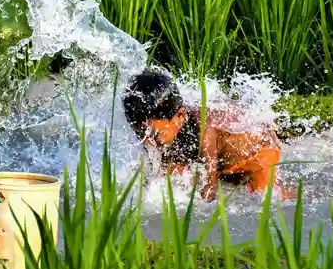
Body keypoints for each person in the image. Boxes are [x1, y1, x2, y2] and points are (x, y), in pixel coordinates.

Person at [121, 68, 294, 201]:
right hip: (223, 161)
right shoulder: (161, 128)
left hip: (258, 153)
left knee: (267, 200)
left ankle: (300, 196)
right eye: (141, 134)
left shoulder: (204, 128)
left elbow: (209, 189)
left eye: (153, 135)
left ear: (179, 116)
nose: (148, 141)